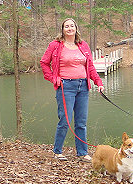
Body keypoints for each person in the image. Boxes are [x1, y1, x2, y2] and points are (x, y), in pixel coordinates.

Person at [40, 18, 104, 162]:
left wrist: (98, 82)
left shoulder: (83, 45)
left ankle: (82, 153)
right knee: (65, 120)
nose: (69, 28)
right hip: (65, 87)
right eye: (66, 26)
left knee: (81, 122)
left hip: (83, 87)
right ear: (62, 30)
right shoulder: (55, 45)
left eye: (72, 26)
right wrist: (53, 78)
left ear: (76, 28)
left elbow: (90, 67)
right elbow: (44, 63)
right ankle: (57, 151)